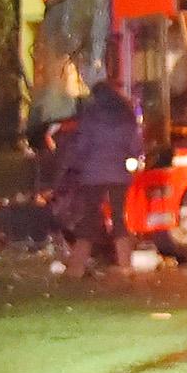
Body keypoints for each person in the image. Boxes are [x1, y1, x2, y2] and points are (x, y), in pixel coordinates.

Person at [52, 79, 143, 276]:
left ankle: (76, 268)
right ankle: (125, 265)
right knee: (119, 219)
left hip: (92, 176)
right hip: (119, 174)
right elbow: (135, 146)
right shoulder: (125, 115)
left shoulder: (90, 116)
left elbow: (81, 147)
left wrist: (74, 167)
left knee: (89, 220)